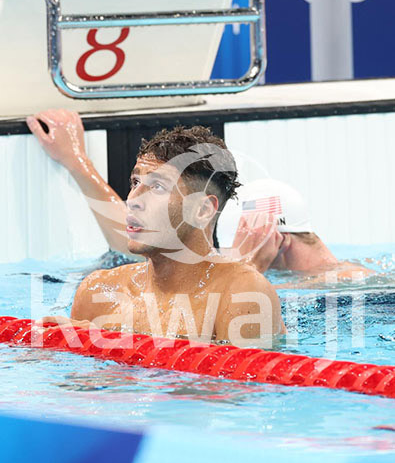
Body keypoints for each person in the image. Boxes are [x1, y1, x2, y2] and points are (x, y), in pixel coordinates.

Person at [26, 109, 285, 345]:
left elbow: (240, 394)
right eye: (135, 182)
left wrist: (108, 343)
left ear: (202, 210)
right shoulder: (98, 292)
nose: (133, 200)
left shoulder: (243, 293)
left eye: (158, 187)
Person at [227, 179, 373, 285]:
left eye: (245, 247)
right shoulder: (319, 280)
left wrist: (248, 267)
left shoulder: (348, 279)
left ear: (277, 241)